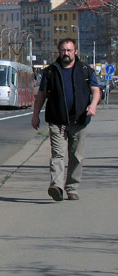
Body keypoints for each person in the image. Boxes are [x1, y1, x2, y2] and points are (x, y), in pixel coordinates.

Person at [31, 38, 102, 202]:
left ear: (75, 51)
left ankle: (72, 188)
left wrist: (93, 105)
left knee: (76, 156)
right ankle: (56, 186)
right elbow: (41, 95)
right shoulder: (50, 71)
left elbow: (96, 90)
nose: (66, 53)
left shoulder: (85, 70)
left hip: (79, 121)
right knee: (58, 154)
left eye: (69, 50)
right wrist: (35, 116)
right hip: (57, 121)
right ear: (59, 51)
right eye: (63, 50)